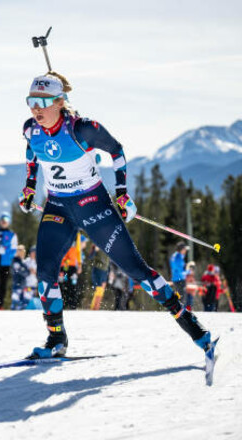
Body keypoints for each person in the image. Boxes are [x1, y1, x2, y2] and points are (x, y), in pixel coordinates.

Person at [18, 71, 213, 359]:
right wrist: (30, 187)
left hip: (93, 206)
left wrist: (121, 193)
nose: (35, 108)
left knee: (136, 270)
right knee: (46, 272)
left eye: (42, 101)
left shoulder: (83, 129)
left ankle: (193, 327)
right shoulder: (30, 129)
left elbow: (117, 151)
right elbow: (32, 153)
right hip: (58, 206)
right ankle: (56, 339)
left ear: (60, 101)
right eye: (31, 101)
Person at [58, 239, 82, 309]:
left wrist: (80, 264)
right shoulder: (62, 234)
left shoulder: (77, 235)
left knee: (73, 285)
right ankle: (63, 305)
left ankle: (73, 305)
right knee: (62, 284)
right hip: (63, 266)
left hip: (72, 266)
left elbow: (78, 251)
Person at [170, 242, 191, 310]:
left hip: (176, 278)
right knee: (181, 297)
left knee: (179, 296)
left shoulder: (175, 256)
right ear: (181, 249)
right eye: (184, 249)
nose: (185, 251)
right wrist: (188, 271)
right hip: (179, 279)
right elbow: (180, 271)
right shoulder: (178, 257)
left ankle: (178, 310)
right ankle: (179, 311)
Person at [88, 244, 109, 310]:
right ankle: (94, 307)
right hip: (98, 269)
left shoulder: (109, 244)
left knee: (102, 290)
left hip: (105, 270)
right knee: (98, 289)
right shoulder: (97, 243)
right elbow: (90, 257)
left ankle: (97, 307)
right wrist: (95, 250)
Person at [11, 245, 31, 310]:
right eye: (19, 251)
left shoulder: (22, 261)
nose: (21, 253)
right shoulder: (15, 260)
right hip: (17, 283)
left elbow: (27, 272)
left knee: (22, 302)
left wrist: (26, 271)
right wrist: (25, 271)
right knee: (15, 299)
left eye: (22, 251)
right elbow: (19, 270)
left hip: (23, 284)